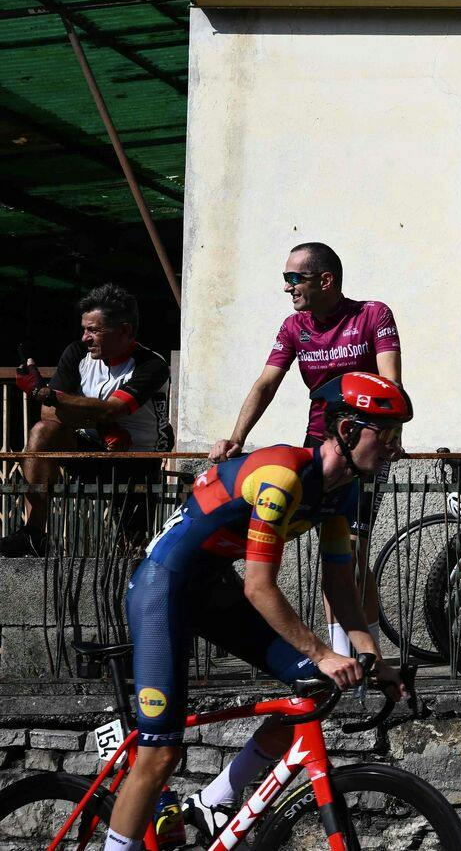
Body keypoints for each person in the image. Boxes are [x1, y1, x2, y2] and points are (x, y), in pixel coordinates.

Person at [106, 372, 409, 850]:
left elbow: (340, 587)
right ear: (348, 430)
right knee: (159, 754)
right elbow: (259, 587)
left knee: (315, 689)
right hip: (163, 587)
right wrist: (322, 651)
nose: (396, 449)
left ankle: (214, 800)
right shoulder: (281, 477)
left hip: (212, 589)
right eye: (387, 435)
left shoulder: (343, 491)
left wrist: (375, 658)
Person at [209, 242, 401, 658]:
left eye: (294, 278)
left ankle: (366, 658)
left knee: (352, 552)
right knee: (337, 554)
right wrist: (237, 436)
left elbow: (391, 382)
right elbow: (266, 383)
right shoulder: (294, 327)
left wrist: (390, 434)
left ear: (325, 280)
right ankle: (346, 658)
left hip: (365, 445)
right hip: (321, 446)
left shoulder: (373, 314)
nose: (287, 287)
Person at [6, 285, 171, 557]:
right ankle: (33, 533)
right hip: (91, 449)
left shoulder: (151, 364)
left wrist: (46, 393)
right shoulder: (76, 353)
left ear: (124, 331)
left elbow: (113, 410)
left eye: (94, 330)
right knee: (42, 431)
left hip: (136, 460)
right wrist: (101, 425)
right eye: (84, 329)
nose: (85, 338)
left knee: (131, 550)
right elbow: (49, 414)